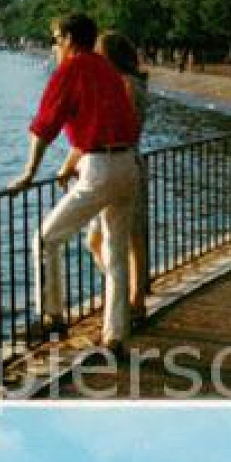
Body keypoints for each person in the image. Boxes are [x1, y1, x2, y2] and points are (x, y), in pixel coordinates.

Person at [10, 12, 142, 353]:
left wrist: (29, 172)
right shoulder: (108, 70)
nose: (55, 46)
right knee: (114, 255)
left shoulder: (71, 69)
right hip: (128, 165)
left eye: (56, 38)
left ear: (69, 38)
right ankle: (115, 336)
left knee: (46, 237)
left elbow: (45, 125)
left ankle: (52, 316)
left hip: (99, 168)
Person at [76, 30, 151, 323]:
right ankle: (124, 292)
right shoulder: (128, 83)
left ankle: (135, 299)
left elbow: (118, 126)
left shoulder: (127, 85)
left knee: (130, 236)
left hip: (122, 160)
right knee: (103, 238)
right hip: (124, 162)